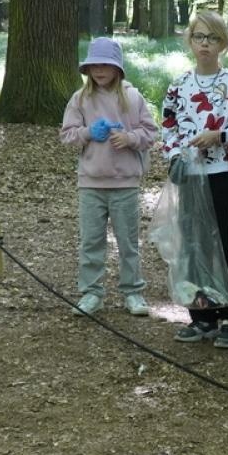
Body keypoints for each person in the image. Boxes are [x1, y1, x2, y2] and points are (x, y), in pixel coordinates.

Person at [159, 10, 228, 347]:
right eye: (199, 37)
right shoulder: (180, 84)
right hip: (190, 174)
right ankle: (202, 315)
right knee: (195, 244)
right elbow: (167, 124)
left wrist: (220, 135)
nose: (205, 44)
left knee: (227, 244)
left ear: (223, 43)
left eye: (212, 38)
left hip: (223, 172)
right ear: (190, 40)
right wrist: (174, 155)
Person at [60, 37, 158, 318]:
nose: (100, 70)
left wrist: (129, 138)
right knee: (91, 241)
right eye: (94, 65)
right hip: (90, 183)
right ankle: (91, 293)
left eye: (106, 65)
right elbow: (67, 135)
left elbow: (150, 133)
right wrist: (90, 132)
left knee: (128, 241)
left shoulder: (132, 97)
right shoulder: (80, 99)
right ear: (87, 69)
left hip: (125, 182)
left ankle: (133, 291)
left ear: (118, 68)